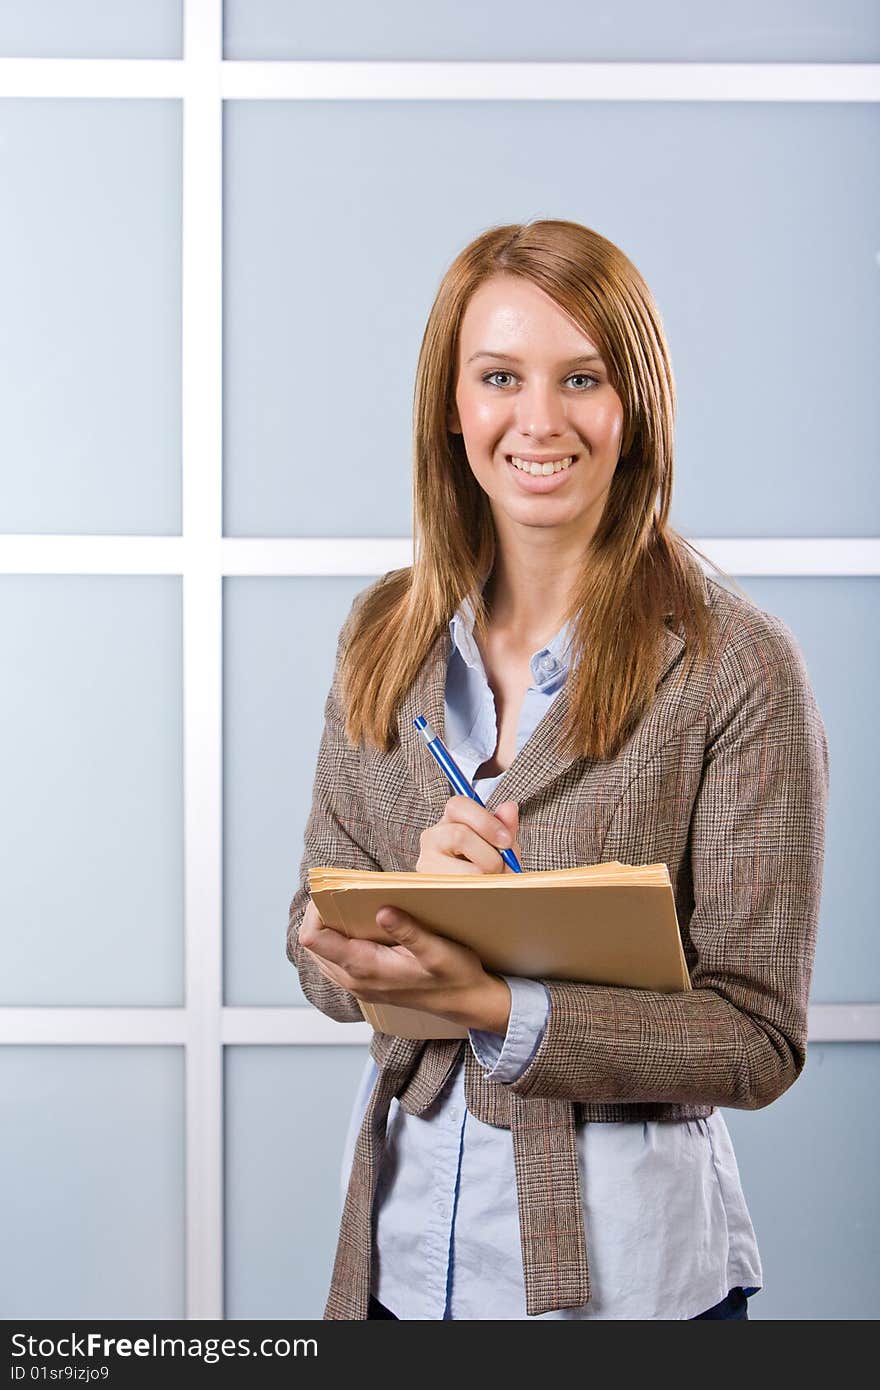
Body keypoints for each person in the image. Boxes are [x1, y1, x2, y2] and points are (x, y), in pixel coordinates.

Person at [286, 219, 829, 1321]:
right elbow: (317, 943)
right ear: (453, 403)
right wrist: (352, 938)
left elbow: (756, 1039)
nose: (539, 420)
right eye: (499, 377)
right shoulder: (382, 635)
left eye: (581, 377)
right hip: (396, 1266)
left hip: (630, 1288)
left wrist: (493, 1002)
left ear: (635, 403)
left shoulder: (736, 667)